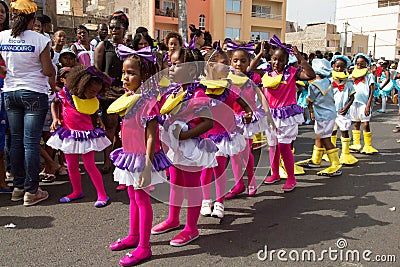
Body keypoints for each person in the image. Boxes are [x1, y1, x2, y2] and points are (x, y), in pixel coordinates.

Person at [107, 44, 171, 266]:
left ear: (144, 76)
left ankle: (144, 247)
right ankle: (134, 236)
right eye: (124, 72)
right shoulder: (129, 98)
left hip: (143, 158)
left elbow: (152, 137)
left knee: (142, 200)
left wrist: (146, 167)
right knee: (133, 197)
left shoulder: (148, 101)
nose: (125, 77)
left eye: (131, 73)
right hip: (130, 155)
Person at [151, 47, 216, 246]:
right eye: (170, 64)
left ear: (189, 69)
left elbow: (208, 122)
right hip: (175, 147)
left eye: (175, 65)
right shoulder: (174, 91)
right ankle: (173, 218)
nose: (170, 68)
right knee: (176, 183)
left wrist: (185, 135)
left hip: (191, 149)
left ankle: (191, 228)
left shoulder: (197, 93)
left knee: (192, 187)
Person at [0, 0, 55, 205]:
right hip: (34, 92)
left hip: (11, 92)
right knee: (31, 142)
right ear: (32, 19)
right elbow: (48, 70)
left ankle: (18, 187)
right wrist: (53, 75)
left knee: (15, 141)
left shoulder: (2, 37)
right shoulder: (40, 39)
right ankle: (32, 191)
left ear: (14, 17)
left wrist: (7, 72)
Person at [47, 65, 111, 207]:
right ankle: (76, 191)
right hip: (69, 134)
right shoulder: (66, 94)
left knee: (89, 165)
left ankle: (102, 194)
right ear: (82, 85)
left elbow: (93, 110)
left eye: (97, 92)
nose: (94, 94)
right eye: (91, 91)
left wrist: (99, 119)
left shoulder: (92, 99)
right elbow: (54, 103)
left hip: (87, 135)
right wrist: (55, 118)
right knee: (71, 165)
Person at [199, 48, 252, 218]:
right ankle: (206, 200)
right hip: (205, 136)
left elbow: (243, 103)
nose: (228, 68)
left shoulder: (229, 88)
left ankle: (220, 202)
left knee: (219, 170)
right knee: (205, 170)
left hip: (222, 136)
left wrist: (248, 112)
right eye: (223, 65)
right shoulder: (201, 88)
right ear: (210, 67)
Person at [261, 35, 315, 192]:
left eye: (281, 60)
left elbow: (310, 75)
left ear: (286, 61)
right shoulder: (266, 73)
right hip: (270, 115)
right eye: (274, 59)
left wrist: (300, 58)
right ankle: (275, 173)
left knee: (284, 146)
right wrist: (259, 54)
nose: (277, 63)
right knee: (272, 146)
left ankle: (291, 178)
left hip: (286, 116)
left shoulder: (292, 73)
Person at [223, 40, 270, 199]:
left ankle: (251, 182)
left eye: (243, 61)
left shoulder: (252, 78)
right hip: (231, 121)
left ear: (248, 62)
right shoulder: (226, 79)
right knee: (235, 154)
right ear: (230, 62)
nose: (238, 64)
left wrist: (267, 114)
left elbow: (261, 97)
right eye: (235, 60)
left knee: (246, 153)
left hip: (247, 120)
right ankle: (238, 184)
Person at [95, 11, 128, 175]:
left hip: (126, 93)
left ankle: (120, 157)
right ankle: (107, 161)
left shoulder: (129, 48)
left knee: (125, 128)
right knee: (110, 127)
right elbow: (96, 71)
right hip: (108, 94)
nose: (114, 30)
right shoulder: (104, 46)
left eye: (117, 27)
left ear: (125, 29)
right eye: (111, 27)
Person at [297, 59, 343, 177]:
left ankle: (336, 164)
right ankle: (316, 160)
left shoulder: (314, 85)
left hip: (323, 116)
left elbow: (309, 100)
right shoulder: (327, 81)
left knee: (325, 138)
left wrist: (308, 107)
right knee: (319, 136)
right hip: (328, 114)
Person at [330, 55, 358, 165]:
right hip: (331, 111)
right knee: (332, 131)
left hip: (343, 111)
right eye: (337, 67)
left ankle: (345, 153)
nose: (339, 69)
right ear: (333, 66)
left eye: (342, 67)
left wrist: (346, 107)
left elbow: (352, 97)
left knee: (344, 131)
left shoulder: (349, 82)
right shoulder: (329, 81)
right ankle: (331, 153)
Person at [349, 53, 378, 154]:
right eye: (357, 63)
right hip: (353, 103)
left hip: (364, 103)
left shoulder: (369, 76)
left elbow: (371, 91)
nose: (359, 65)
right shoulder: (352, 75)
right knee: (356, 123)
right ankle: (356, 144)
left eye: (362, 63)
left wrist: (368, 105)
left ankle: (368, 145)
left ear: (366, 63)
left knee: (365, 124)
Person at [0, 0, 10, 193]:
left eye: (3, 11)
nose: (0, 14)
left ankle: (3, 180)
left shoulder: (10, 37)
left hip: (8, 87)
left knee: (6, 135)